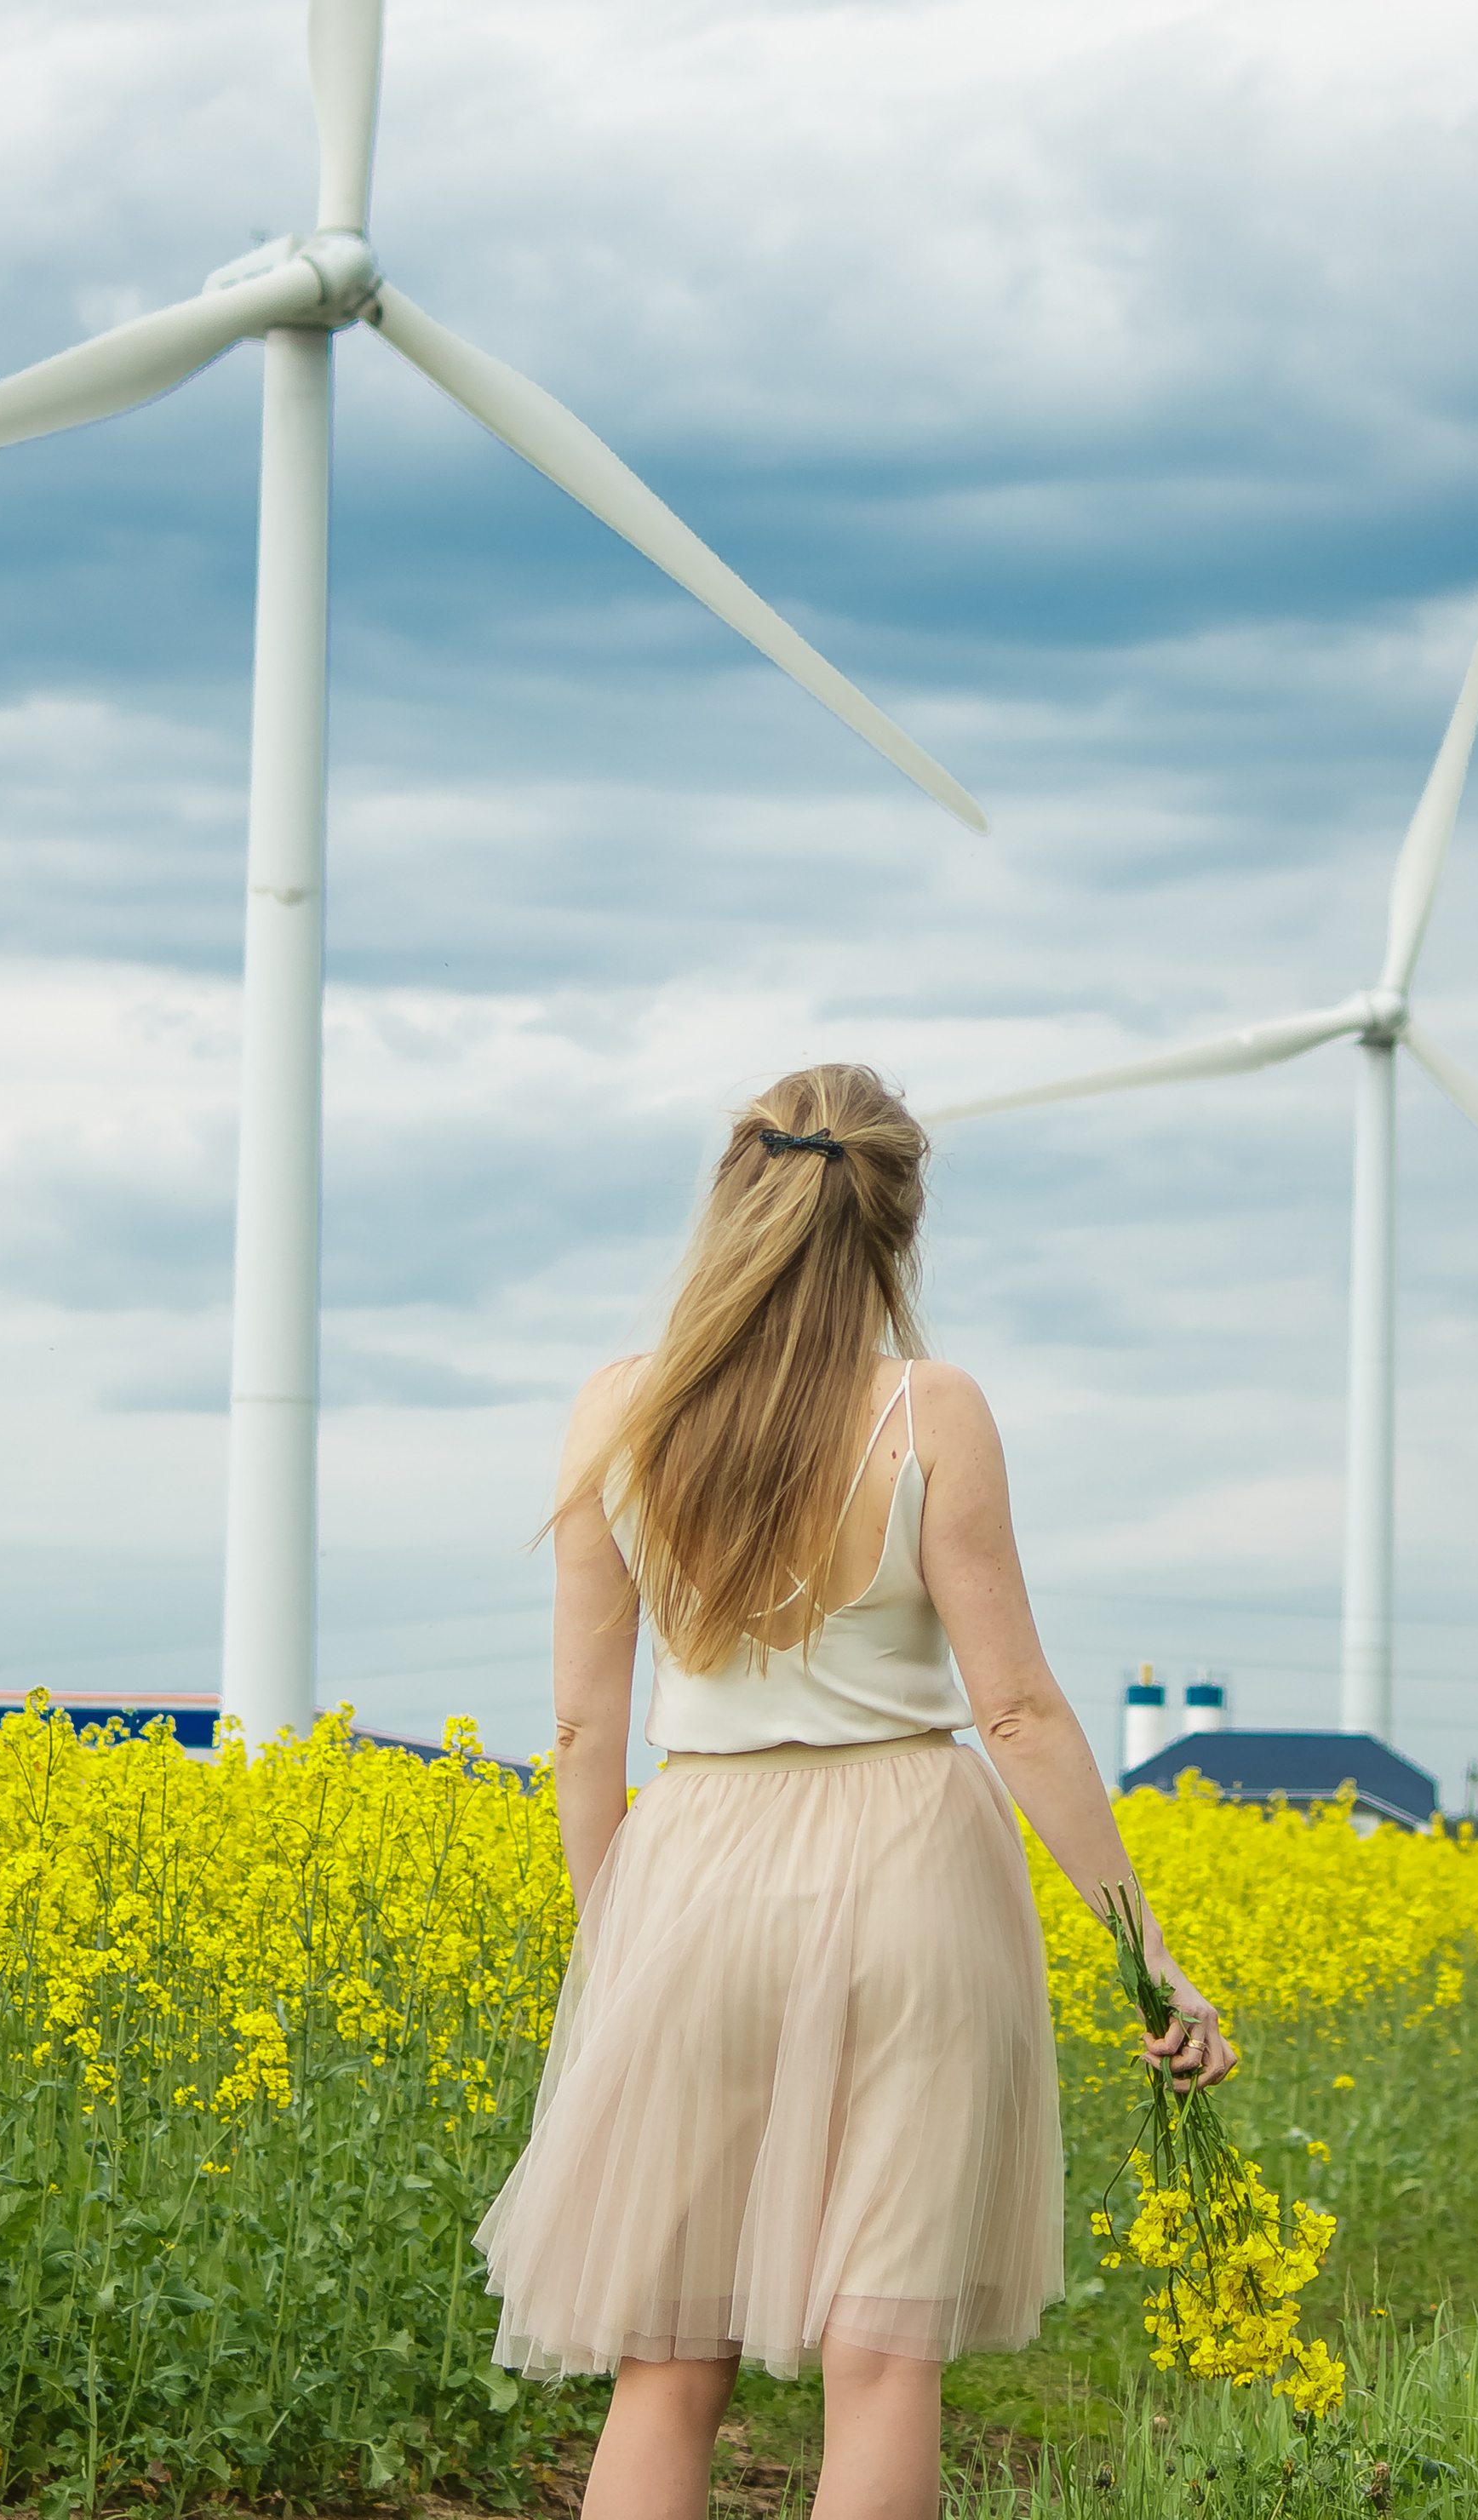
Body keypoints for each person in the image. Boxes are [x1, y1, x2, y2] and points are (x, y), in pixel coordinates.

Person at [476, 1063, 1235, 2520]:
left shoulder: (615, 1410)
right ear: (895, 1222)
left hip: (693, 1864)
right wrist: (1147, 1956)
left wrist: (614, 1932)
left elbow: (583, 1730)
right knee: (884, 2356)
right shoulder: (930, 1409)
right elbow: (1014, 1709)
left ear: (732, 1197)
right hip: (911, 1867)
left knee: (666, 2356)